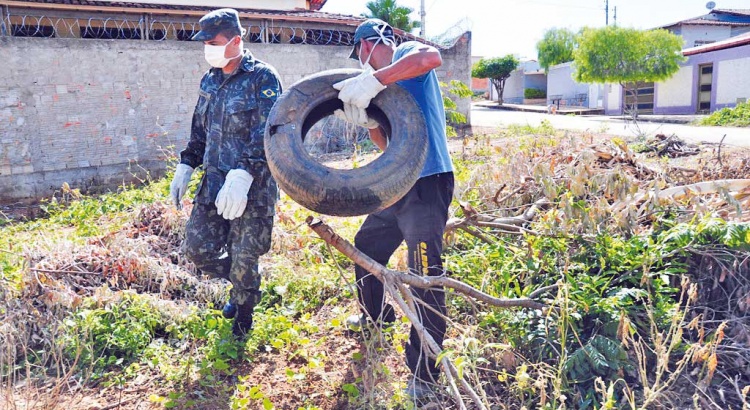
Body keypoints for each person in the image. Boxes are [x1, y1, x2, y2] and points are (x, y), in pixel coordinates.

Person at [333, 18, 455, 401]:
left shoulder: (403, 56)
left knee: (424, 277)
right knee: (365, 248)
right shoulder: (384, 85)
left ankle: (423, 374)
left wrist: (375, 80)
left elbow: (430, 57)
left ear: (373, 43)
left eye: (361, 54)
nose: (362, 64)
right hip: (399, 186)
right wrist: (370, 118)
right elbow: (386, 147)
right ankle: (376, 317)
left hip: (428, 183)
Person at [169, 8, 282, 338]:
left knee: (245, 255)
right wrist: (187, 164)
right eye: (204, 42)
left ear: (236, 40)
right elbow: (199, 128)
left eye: (213, 42)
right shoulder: (210, 79)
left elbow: (269, 131)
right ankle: (242, 284)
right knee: (197, 249)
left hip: (253, 187)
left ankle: (244, 313)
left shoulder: (263, 77)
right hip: (214, 182)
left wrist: (245, 173)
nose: (208, 48)